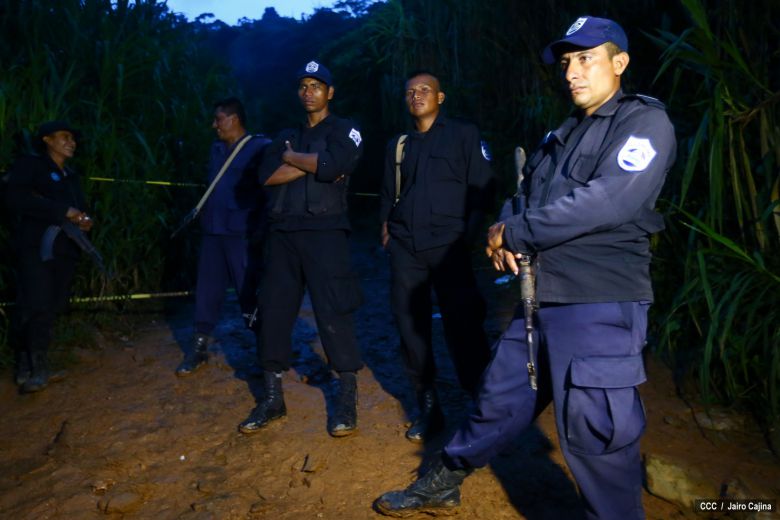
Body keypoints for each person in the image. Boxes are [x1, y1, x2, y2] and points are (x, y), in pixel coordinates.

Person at [375, 15, 677, 520]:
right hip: (540, 300)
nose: (573, 72)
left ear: (619, 63)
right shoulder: (557, 137)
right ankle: (445, 479)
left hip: (598, 303)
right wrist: (503, 230)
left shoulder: (643, 123)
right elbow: (522, 198)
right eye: (566, 62)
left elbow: (607, 201)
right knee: (497, 397)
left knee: (595, 432)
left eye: (586, 58)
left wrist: (513, 232)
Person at [239, 61, 364, 437]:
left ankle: (346, 399)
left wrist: (294, 160)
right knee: (274, 313)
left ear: (330, 92)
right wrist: (313, 164)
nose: (309, 91)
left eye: (317, 85)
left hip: (326, 233)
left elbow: (337, 162)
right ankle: (273, 399)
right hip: (282, 235)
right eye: (303, 86)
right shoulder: (284, 135)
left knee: (334, 311)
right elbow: (266, 177)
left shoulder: (347, 129)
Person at [378, 71, 494, 442]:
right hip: (406, 249)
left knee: (463, 325)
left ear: (440, 97)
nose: (416, 96)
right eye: (410, 91)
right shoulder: (398, 144)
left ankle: (482, 404)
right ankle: (429, 408)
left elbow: (482, 191)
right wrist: (387, 230)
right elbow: (387, 194)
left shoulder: (464, 134)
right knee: (411, 329)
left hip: (449, 248)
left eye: (424, 90)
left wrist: (468, 241)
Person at [175, 98, 271, 376]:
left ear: (234, 119)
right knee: (207, 290)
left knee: (248, 291)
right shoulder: (216, 149)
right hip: (214, 231)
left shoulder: (259, 148)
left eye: (218, 119)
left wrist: (261, 231)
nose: (214, 124)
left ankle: (266, 350)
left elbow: (268, 193)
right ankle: (199, 347)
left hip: (241, 233)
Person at [5, 120, 95, 393]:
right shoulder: (31, 166)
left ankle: (31, 364)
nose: (72, 142)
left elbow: (81, 208)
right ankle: (33, 367)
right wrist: (61, 211)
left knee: (53, 304)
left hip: (65, 250)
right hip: (35, 248)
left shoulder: (70, 175)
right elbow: (12, 198)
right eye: (65, 137)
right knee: (35, 304)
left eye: (73, 138)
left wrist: (85, 219)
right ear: (47, 139)